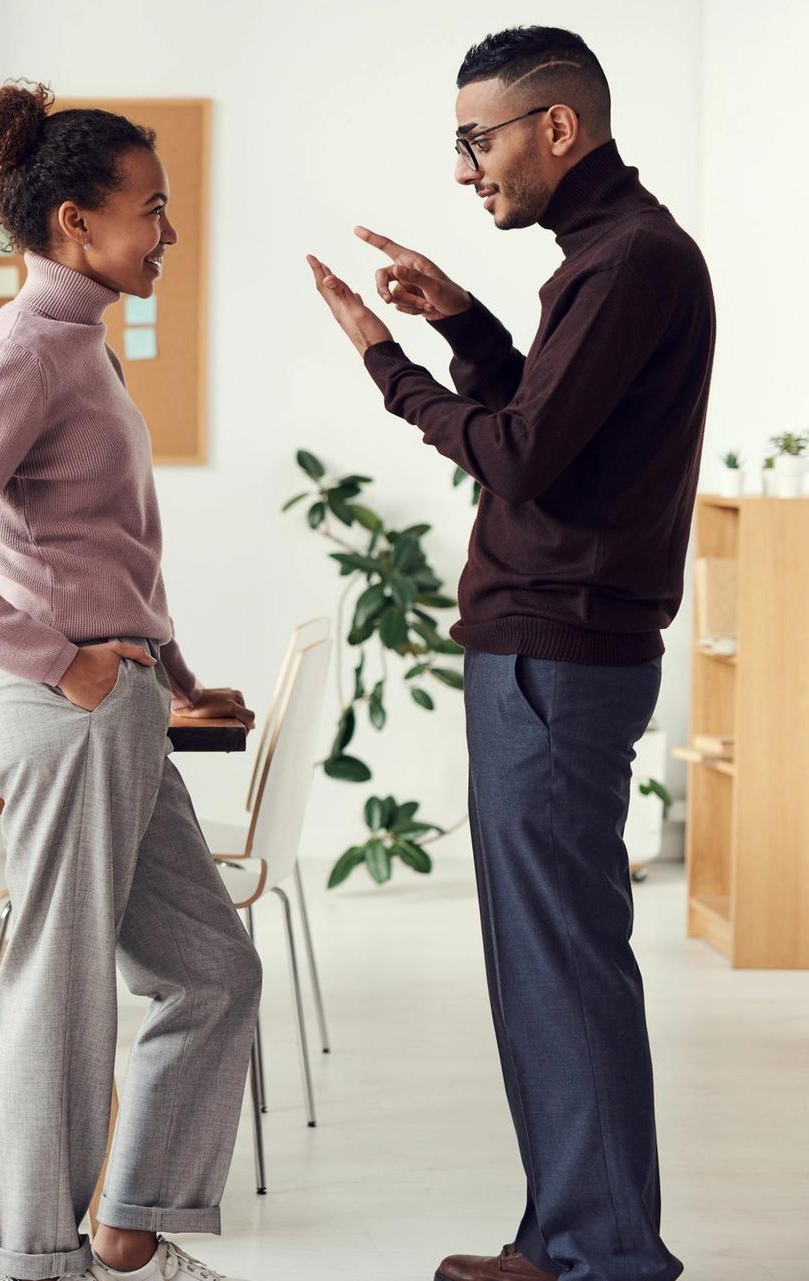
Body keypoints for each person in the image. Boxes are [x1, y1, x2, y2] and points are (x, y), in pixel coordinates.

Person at [308, 26, 712, 1281]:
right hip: (558, 651)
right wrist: (466, 323)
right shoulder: (607, 257)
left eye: (478, 141)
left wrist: (385, 364)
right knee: (549, 959)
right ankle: (571, 1238)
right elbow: (563, 428)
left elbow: (523, 458)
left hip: (558, 653)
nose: (466, 169)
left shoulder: (627, 260)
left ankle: (605, 1254)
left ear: (557, 128)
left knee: (561, 961)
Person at [0, 82, 259, 1281]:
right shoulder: (31, 352)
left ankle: (127, 1236)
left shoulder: (79, 340)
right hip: (69, 709)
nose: (167, 233)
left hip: (120, 700)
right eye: (150, 209)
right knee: (64, 987)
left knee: (212, 973)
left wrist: (171, 673)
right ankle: (42, 1261)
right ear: (75, 224)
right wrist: (66, 663)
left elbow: (103, 547)